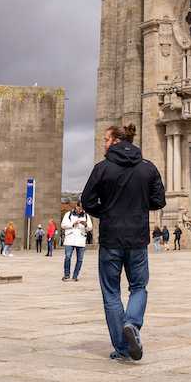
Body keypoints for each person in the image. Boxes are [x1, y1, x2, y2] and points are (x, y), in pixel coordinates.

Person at [80, 123, 166, 362]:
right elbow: (159, 200)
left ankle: (122, 348)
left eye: (106, 140)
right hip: (137, 239)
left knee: (111, 293)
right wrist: (138, 208)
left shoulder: (102, 168)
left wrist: (106, 212)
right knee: (138, 287)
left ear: (117, 140)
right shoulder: (148, 168)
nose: (104, 144)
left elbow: (86, 201)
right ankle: (132, 324)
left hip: (111, 238)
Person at [61, 203, 90, 281]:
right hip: (70, 239)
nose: (80, 210)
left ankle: (75, 276)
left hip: (81, 239)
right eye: (79, 208)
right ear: (76, 207)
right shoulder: (68, 214)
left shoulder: (86, 216)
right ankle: (66, 275)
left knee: (80, 259)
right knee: (67, 257)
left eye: (81, 209)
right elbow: (63, 225)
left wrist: (86, 224)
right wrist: (72, 224)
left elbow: (90, 228)